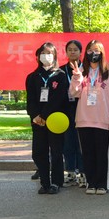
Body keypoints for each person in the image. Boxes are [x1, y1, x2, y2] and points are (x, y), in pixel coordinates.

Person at [70, 40, 109, 195]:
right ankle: (91, 183)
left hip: (103, 120)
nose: (93, 54)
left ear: (102, 53)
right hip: (84, 119)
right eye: (90, 50)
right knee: (87, 153)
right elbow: (74, 93)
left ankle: (102, 184)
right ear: (86, 53)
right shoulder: (81, 71)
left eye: (97, 50)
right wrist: (76, 77)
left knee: (102, 154)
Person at [25, 42, 69, 195]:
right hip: (38, 121)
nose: (46, 56)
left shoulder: (60, 75)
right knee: (39, 152)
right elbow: (30, 100)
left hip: (55, 120)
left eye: (49, 53)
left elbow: (58, 98)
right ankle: (45, 182)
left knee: (56, 152)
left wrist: (44, 115)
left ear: (55, 56)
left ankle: (56, 182)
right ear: (38, 56)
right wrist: (36, 116)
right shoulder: (32, 77)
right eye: (43, 53)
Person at [60, 39, 85, 187]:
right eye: (70, 49)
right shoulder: (61, 70)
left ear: (80, 52)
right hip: (66, 110)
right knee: (68, 141)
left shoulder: (86, 69)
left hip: (83, 109)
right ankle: (70, 171)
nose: (72, 52)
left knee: (81, 141)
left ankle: (82, 172)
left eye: (75, 49)